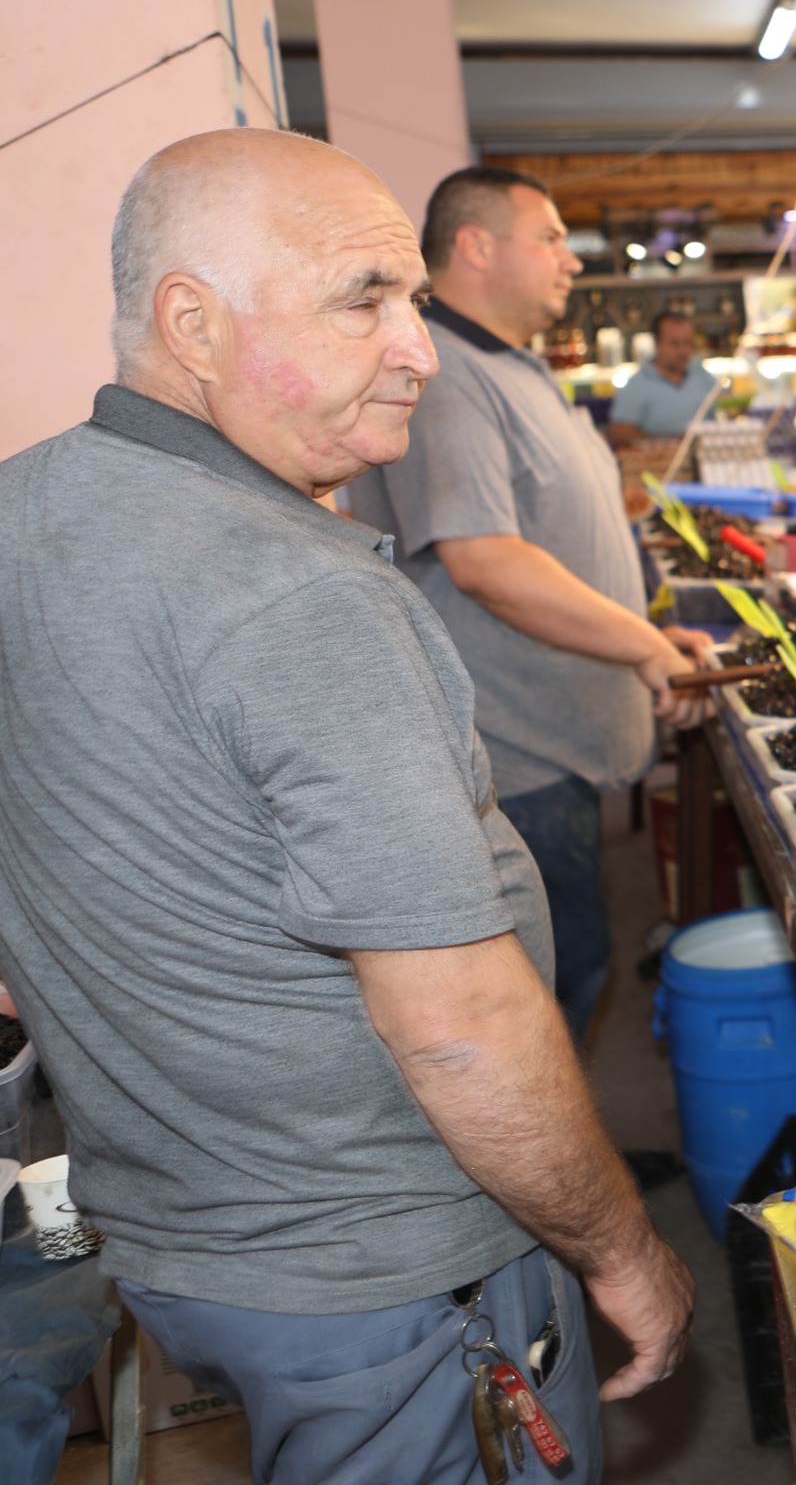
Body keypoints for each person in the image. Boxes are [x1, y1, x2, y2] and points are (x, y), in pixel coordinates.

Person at [0, 129, 690, 1485]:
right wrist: (622, 1247)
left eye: (416, 303)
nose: (418, 348)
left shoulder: (27, 507)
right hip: (382, 1269)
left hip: (174, 1222)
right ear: (189, 322)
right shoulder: (301, 595)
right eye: (361, 299)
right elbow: (460, 1031)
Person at [344, 166, 714, 1039]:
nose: (570, 261)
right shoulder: (447, 374)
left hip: (559, 748)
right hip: (515, 760)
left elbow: (546, 537)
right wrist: (641, 648)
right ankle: (543, 1175)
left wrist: (644, 629)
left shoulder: (508, 365)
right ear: (475, 245)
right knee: (537, 1000)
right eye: (548, 237)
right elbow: (485, 561)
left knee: (574, 969)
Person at [607, 310, 722, 443]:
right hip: (659, 460)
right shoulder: (636, 385)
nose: (683, 350)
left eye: (687, 342)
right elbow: (620, 432)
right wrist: (670, 442)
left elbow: (726, 411)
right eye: (675, 343)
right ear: (657, 344)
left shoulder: (703, 375)